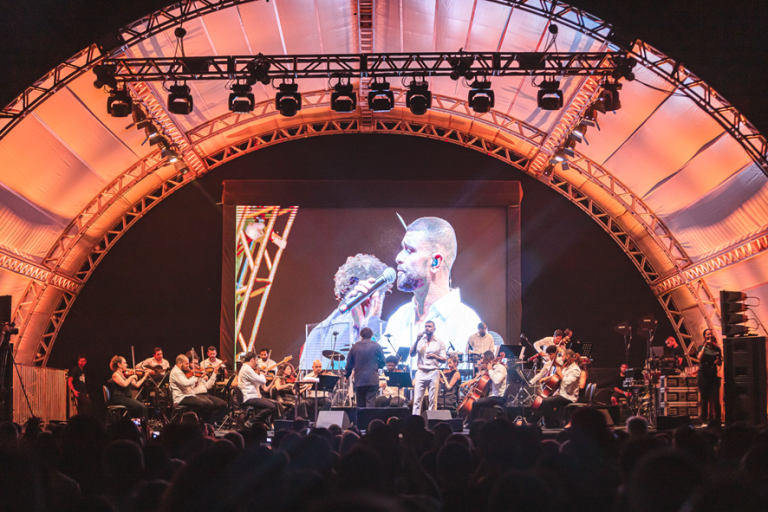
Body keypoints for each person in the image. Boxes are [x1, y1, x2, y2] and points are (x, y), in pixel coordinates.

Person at [378, 217, 482, 356]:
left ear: (435, 262)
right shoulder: (398, 317)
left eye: (409, 250)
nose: (398, 257)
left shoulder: (466, 324)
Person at [303, 253, 393, 369]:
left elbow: (307, 375)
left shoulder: (318, 330)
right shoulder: (383, 329)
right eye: (382, 293)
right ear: (376, 295)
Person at [409, 320, 447, 415]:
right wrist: (417, 340)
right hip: (421, 371)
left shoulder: (439, 342)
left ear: (434, 329)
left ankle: (431, 420)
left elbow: (444, 359)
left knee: (432, 399)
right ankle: (415, 420)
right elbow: (412, 354)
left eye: (429, 326)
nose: (427, 328)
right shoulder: (420, 341)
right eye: (426, 326)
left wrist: (435, 357)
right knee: (417, 399)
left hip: (433, 372)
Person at [537, 349, 581, 428]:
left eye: (563, 356)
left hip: (569, 396)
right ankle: (554, 423)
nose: (561, 358)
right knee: (547, 399)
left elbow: (567, 382)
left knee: (546, 401)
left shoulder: (575, 369)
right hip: (563, 394)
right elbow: (558, 377)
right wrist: (547, 378)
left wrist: (560, 373)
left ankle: (550, 426)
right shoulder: (567, 367)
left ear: (568, 357)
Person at [168, 354, 217, 422]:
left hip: (187, 395)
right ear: (180, 363)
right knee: (203, 404)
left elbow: (190, 385)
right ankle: (199, 422)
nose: (188, 366)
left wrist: (198, 378)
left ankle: (203, 423)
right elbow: (185, 383)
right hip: (181, 398)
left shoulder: (181, 371)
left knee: (209, 404)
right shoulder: (176, 372)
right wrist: (196, 377)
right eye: (186, 364)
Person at [345, 327, 386, 408]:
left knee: (360, 406)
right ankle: (370, 420)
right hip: (372, 380)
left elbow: (349, 363)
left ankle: (361, 420)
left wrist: (347, 375)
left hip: (359, 380)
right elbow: (383, 362)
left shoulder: (354, 347)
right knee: (370, 405)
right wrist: (376, 366)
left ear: (361, 336)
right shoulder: (376, 346)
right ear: (371, 336)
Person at [462, 351, 507, 423]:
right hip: (490, 395)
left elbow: (497, 381)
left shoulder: (500, 368)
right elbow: (482, 379)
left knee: (476, 403)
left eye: (483, 359)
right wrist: (474, 382)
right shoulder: (491, 368)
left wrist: (490, 370)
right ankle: (478, 423)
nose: (482, 361)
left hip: (498, 397)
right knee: (476, 402)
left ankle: (472, 424)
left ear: (488, 359)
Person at [187, 352, 228, 425]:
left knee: (223, 405)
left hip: (206, 394)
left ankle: (209, 423)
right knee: (210, 404)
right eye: (194, 363)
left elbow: (208, 386)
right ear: (188, 363)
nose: (196, 365)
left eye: (197, 363)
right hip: (196, 394)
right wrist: (197, 377)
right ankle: (206, 424)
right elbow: (191, 386)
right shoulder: (188, 374)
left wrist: (214, 373)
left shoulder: (199, 372)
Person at [238, 351, 277, 427]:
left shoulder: (246, 368)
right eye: (256, 361)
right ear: (252, 359)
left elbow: (257, 381)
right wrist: (262, 374)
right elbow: (262, 380)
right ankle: (251, 422)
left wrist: (260, 375)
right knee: (272, 407)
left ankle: (260, 424)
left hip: (251, 396)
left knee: (274, 404)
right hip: (249, 397)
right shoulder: (247, 369)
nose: (256, 363)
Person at [697, 328, 722, 426]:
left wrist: (718, 361)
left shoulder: (717, 349)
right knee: (704, 397)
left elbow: (719, 361)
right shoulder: (701, 347)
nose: (710, 336)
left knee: (715, 397)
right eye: (708, 334)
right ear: (704, 336)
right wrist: (704, 345)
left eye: (711, 334)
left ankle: (718, 419)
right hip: (703, 374)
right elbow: (699, 357)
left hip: (713, 374)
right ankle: (704, 419)